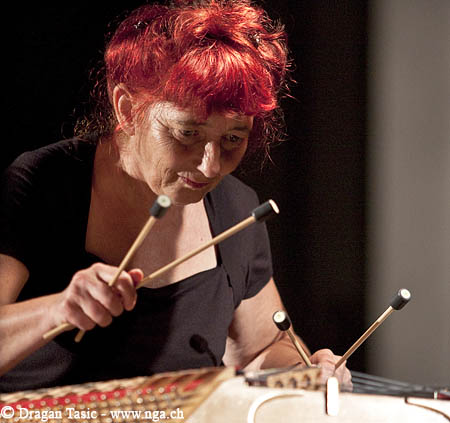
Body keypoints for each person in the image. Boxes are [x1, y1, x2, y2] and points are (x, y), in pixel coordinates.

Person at [0, 0, 351, 392]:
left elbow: (262, 349)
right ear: (126, 108)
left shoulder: (238, 212)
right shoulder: (40, 183)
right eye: (188, 133)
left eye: (232, 139)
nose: (210, 166)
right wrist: (56, 309)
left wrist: (305, 370)